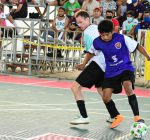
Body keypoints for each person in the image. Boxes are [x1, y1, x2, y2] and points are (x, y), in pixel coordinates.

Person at [88, 20, 150, 128]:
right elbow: (91, 52)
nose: (105, 37)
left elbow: (138, 46)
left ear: (112, 32)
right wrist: (83, 63)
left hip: (125, 67)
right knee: (106, 97)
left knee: (127, 85)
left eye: (107, 35)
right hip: (111, 71)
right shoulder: (97, 42)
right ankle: (117, 116)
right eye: (102, 35)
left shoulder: (121, 38)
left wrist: (148, 56)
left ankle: (137, 117)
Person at [70, 10, 114, 125]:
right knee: (101, 90)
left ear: (87, 19)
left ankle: (84, 117)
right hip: (105, 64)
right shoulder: (95, 28)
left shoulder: (89, 33)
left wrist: (84, 64)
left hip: (98, 63)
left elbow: (92, 51)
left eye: (80, 22)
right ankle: (114, 115)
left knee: (75, 87)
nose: (79, 25)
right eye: (77, 23)